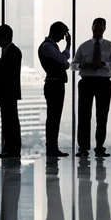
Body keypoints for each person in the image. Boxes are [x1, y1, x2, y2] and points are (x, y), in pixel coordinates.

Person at [71, 18, 111, 157]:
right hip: (86, 81)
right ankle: (83, 148)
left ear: (105, 29)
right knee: (83, 115)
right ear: (91, 28)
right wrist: (82, 65)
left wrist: (103, 64)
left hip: (104, 82)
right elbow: (73, 65)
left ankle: (99, 147)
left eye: (100, 29)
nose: (97, 32)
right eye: (95, 29)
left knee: (102, 115)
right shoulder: (83, 46)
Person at [38, 22, 71, 157]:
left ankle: (52, 147)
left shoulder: (50, 47)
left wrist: (64, 63)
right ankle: (51, 147)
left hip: (55, 84)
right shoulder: (47, 47)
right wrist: (68, 46)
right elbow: (63, 60)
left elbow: (63, 62)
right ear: (56, 32)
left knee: (54, 117)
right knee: (53, 117)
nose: (63, 38)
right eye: (62, 35)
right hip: (54, 85)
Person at [0, 24, 22, 158]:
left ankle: (12, 150)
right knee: (9, 120)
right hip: (9, 91)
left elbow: (7, 73)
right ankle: (10, 149)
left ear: (3, 38)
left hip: (8, 91)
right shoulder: (11, 51)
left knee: (10, 121)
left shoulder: (12, 52)